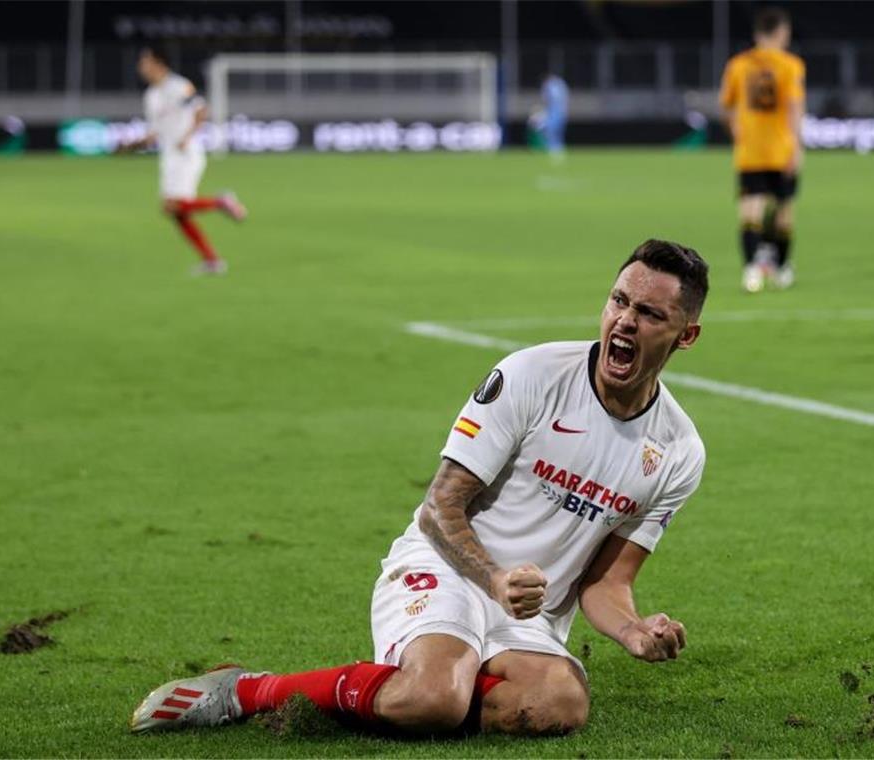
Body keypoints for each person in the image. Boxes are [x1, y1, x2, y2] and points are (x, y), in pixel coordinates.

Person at [130, 239, 710, 737]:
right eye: (618, 301)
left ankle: (423, 687)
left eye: (649, 314)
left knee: (559, 705)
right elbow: (440, 506)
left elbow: (606, 582)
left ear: (686, 336)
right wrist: (495, 578)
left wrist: (633, 630)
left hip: (525, 616)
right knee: (435, 698)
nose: (624, 322)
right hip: (447, 570)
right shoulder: (533, 376)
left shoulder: (678, 451)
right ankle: (249, 690)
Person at [118, 47, 246, 276]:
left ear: (159, 64)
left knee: (172, 206)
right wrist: (131, 146)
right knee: (176, 212)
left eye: (145, 62)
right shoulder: (151, 96)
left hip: (186, 153)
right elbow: (155, 133)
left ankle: (221, 203)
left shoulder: (178, 86)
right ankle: (212, 260)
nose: (141, 67)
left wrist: (187, 136)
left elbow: (200, 110)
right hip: (169, 155)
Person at [719, 7, 806, 292]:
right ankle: (780, 269)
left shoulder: (738, 65)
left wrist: (737, 132)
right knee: (783, 212)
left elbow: (726, 107)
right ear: (781, 32)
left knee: (750, 211)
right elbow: (794, 107)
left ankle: (751, 271)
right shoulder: (790, 65)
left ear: (758, 33)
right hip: (781, 150)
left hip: (750, 151)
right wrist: (796, 145)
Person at [538, 73, 570, 162]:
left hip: (556, 111)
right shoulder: (559, 84)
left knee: (554, 131)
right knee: (551, 130)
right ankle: (554, 149)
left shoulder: (555, 85)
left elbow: (546, 98)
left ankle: (556, 149)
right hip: (554, 111)